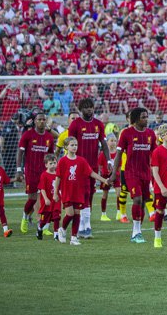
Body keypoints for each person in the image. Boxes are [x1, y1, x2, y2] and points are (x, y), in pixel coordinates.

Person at [113, 107, 158, 243]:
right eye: (143, 117)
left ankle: (138, 229)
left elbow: (155, 153)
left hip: (145, 173)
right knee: (137, 199)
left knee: (143, 201)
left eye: (147, 116)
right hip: (131, 173)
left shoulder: (150, 134)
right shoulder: (126, 133)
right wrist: (114, 173)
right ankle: (135, 232)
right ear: (136, 119)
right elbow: (119, 154)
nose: (146, 119)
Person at [67, 98, 110, 238]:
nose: (89, 110)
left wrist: (108, 160)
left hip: (93, 166)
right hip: (78, 166)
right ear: (81, 109)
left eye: (91, 107)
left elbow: (103, 143)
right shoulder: (75, 124)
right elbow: (70, 144)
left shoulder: (98, 124)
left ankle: (85, 225)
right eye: (86, 108)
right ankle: (83, 226)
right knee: (82, 194)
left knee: (90, 193)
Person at [55, 137, 109, 246]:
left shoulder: (81, 160)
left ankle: (74, 238)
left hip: (78, 192)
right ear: (66, 147)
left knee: (77, 214)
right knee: (69, 214)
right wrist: (56, 192)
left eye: (76, 145)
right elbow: (58, 178)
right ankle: (62, 229)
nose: (74, 147)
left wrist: (104, 180)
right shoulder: (62, 161)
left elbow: (91, 173)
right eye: (72, 145)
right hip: (67, 192)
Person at [17, 111, 56, 234]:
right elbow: (20, 152)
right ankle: (25, 217)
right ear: (34, 121)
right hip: (31, 172)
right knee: (33, 199)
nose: (41, 122)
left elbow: (50, 156)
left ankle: (44, 227)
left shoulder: (49, 137)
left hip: (45, 173)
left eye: (43, 120)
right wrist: (19, 170)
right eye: (39, 119)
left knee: (47, 199)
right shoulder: (28, 135)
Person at [37, 154, 61, 240]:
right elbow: (42, 188)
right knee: (44, 219)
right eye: (51, 163)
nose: (53, 165)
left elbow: (60, 187)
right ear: (46, 164)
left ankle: (56, 235)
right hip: (47, 201)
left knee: (56, 217)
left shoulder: (58, 174)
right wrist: (46, 199)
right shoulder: (44, 175)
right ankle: (39, 228)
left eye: (55, 163)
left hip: (56, 199)